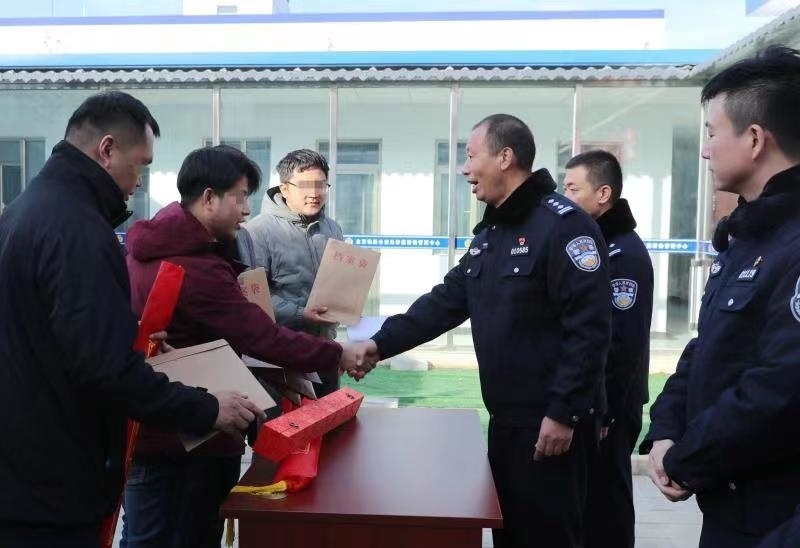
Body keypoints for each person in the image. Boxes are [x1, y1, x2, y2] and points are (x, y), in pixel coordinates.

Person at [0, 91, 263, 548]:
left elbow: (48, 335)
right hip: (52, 478)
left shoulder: (26, 211)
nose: (139, 183)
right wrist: (207, 408)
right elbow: (104, 369)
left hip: (23, 464)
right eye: (140, 165)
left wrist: (128, 338)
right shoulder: (79, 230)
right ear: (106, 149)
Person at [358, 113, 612, 547]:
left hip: (551, 427)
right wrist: (377, 344)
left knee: (548, 538)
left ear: (504, 157)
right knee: (509, 535)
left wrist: (562, 412)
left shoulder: (563, 226)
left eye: (472, 156)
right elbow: (446, 302)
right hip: (507, 423)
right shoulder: (494, 230)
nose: (464, 169)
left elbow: (589, 328)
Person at [122, 145, 371, 548]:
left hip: (150, 425)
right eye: (239, 197)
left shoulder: (154, 247)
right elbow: (259, 333)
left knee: (145, 537)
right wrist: (339, 353)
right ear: (208, 198)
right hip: (196, 432)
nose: (245, 210)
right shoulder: (199, 264)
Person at [641, 45, 800, 547]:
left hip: (777, 518)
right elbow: (705, 347)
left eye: (712, 133)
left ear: (754, 139)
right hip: (729, 507)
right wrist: (665, 431)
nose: (705, 151)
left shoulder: (792, 243)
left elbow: (780, 389)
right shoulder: (748, 234)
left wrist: (687, 459)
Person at [562, 150, 653, 548]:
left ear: (603, 194)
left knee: (607, 506)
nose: (564, 199)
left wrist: (606, 411)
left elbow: (622, 344)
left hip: (612, 405)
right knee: (588, 506)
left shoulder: (624, 254)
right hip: (592, 402)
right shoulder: (594, 244)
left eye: (573, 189)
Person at [240, 148, 344, 397]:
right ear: (284, 189)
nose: (315, 193)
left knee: (329, 418)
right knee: (280, 420)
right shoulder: (257, 231)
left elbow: (339, 282)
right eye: (305, 186)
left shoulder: (332, 229)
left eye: (321, 185)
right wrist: (300, 313)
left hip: (323, 349)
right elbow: (251, 297)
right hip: (276, 358)